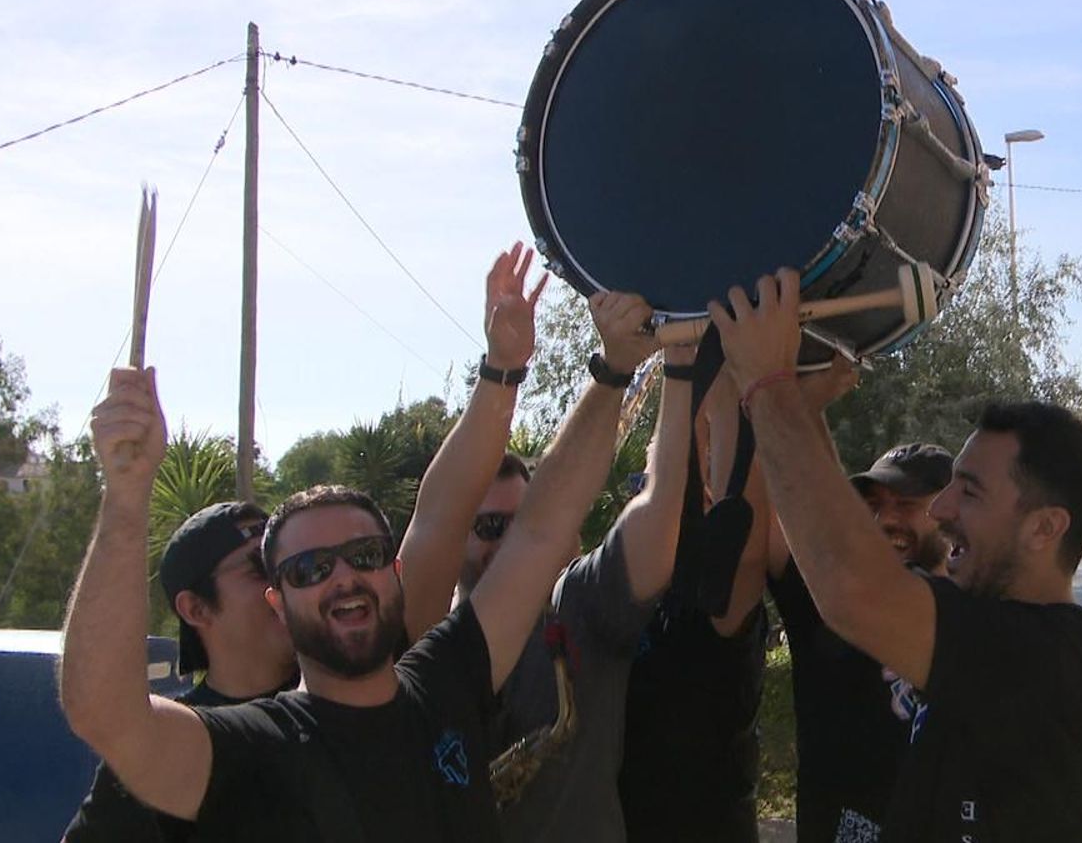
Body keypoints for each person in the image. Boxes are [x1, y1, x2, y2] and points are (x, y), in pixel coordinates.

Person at [59, 245, 658, 840]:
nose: (344, 576)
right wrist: (127, 497)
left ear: (393, 572)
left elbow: (537, 529)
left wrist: (610, 369)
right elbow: (107, 715)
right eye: (310, 568)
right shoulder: (250, 747)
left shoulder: (444, 682)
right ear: (279, 602)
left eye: (364, 556)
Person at [709, 269, 1082, 842]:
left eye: (971, 491)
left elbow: (853, 586)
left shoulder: (1059, 662)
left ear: (1044, 528)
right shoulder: (992, 628)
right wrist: (802, 409)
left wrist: (767, 384)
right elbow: (849, 555)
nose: (941, 509)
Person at [398, 333, 689, 843]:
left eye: (522, 523)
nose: (511, 545)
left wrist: (681, 364)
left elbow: (660, 506)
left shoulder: (576, 603)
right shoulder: (422, 642)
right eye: (489, 528)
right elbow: (431, 519)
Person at [765, 414, 957, 842]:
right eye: (874, 505)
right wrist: (799, 404)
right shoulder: (830, 604)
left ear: (949, 512)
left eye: (906, 504)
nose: (885, 520)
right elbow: (784, 514)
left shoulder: (980, 620)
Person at [64, 501, 297, 842]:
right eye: (262, 566)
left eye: (293, 562)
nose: (290, 582)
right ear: (197, 609)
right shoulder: (162, 740)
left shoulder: (352, 690)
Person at [618, 367, 772, 843]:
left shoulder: (709, 605)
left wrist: (724, 384)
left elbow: (742, 542)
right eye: (640, 486)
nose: (652, 501)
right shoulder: (613, 599)